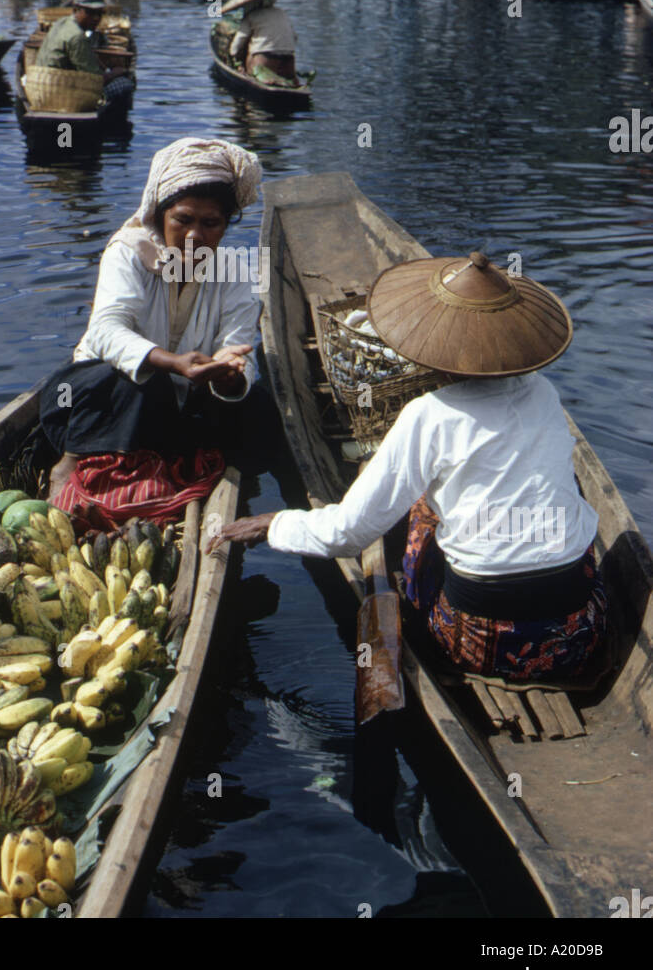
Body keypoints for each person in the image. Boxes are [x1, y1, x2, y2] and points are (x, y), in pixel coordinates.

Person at [210, 251, 607, 684]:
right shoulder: (543, 393)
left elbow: (348, 534)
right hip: (577, 633)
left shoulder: (428, 413)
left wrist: (274, 524)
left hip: (480, 641)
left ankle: (431, 633)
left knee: (422, 510)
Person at [40, 136, 299, 513]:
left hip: (174, 410)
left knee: (258, 406)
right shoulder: (128, 252)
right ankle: (71, 462)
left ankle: (168, 471)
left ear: (226, 226)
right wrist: (171, 362)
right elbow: (106, 331)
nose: (195, 235)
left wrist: (230, 375)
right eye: (183, 220)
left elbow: (238, 345)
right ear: (162, 216)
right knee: (137, 380)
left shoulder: (236, 274)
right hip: (96, 405)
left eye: (211, 223)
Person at [35, 0, 125, 83]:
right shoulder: (77, 37)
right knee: (124, 84)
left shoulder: (62, 22)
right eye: (90, 12)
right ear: (76, 10)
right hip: (58, 85)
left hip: (43, 78)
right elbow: (95, 79)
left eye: (100, 13)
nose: (96, 18)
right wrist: (116, 72)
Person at [221, 0, 301, 83]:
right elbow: (294, 37)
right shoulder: (281, 12)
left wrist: (234, 60)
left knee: (248, 50)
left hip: (265, 62)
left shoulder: (251, 16)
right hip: (289, 60)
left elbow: (236, 46)